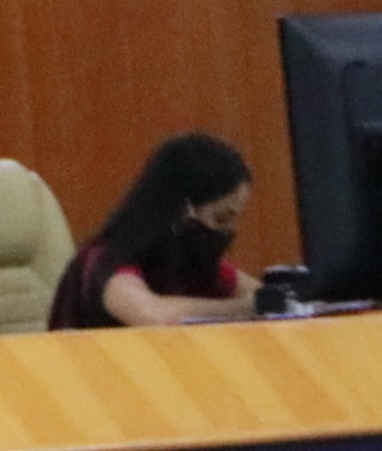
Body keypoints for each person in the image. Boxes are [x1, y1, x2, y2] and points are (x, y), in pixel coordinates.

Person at [47, 133, 259, 329]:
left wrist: (268, 299)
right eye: (221, 219)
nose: (228, 232)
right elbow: (155, 317)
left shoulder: (193, 266)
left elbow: (260, 294)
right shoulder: (103, 261)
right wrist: (249, 307)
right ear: (181, 210)